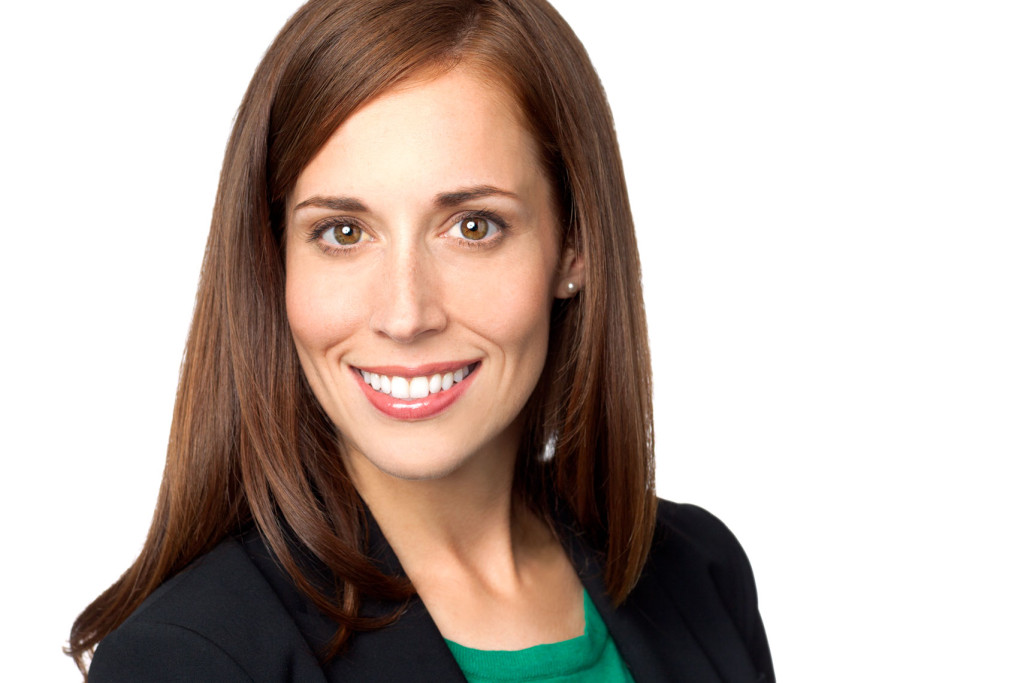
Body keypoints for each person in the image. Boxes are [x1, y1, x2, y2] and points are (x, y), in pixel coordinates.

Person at [67, 0, 773, 680]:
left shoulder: (698, 574)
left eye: (473, 226)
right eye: (342, 232)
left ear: (575, 244)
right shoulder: (190, 657)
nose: (405, 314)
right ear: (274, 259)